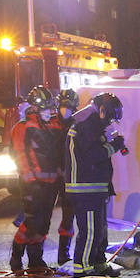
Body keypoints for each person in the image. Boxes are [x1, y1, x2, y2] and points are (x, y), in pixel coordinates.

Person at [65, 91, 124, 276]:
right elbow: (93, 156)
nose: (110, 121)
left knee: (99, 229)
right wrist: (114, 146)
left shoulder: (94, 127)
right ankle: (83, 269)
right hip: (85, 189)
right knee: (90, 230)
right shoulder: (87, 127)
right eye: (111, 116)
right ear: (102, 110)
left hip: (95, 188)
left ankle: (98, 263)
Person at [7, 85, 64, 273]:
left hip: (50, 184)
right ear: (35, 108)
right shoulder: (23, 128)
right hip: (32, 184)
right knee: (31, 222)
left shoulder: (50, 126)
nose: (50, 112)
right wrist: (31, 181)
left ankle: (36, 260)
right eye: (46, 108)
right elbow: (21, 156)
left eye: (51, 108)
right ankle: (16, 257)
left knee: (44, 223)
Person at [54, 88, 80, 267]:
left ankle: (63, 254)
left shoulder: (77, 124)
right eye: (63, 105)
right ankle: (33, 260)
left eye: (69, 106)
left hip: (68, 178)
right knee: (40, 219)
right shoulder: (50, 124)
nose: (66, 109)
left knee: (68, 217)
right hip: (51, 177)